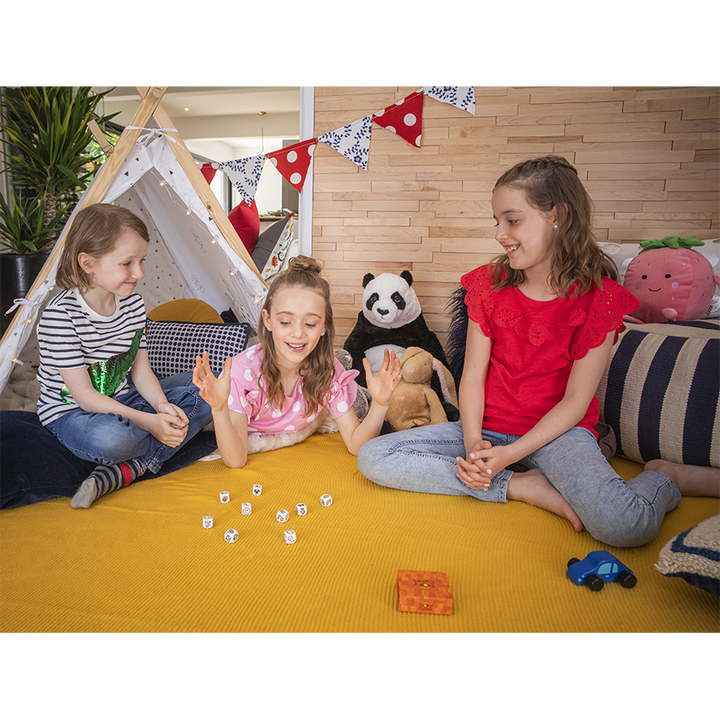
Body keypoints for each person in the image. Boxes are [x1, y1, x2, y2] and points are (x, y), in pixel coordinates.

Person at [358, 155, 720, 548]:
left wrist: (510, 453)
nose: (500, 233)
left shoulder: (599, 301)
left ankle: (666, 477)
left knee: (626, 525)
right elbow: (473, 377)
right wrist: (474, 441)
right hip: (486, 428)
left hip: (558, 435)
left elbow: (576, 403)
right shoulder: (488, 286)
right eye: (497, 221)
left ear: (558, 216)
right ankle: (521, 486)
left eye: (512, 220)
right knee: (374, 457)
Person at [36, 204, 212, 508]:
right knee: (117, 441)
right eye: (127, 263)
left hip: (124, 399)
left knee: (212, 389)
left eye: (142, 261)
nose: (139, 273)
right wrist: (149, 422)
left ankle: (128, 470)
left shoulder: (132, 305)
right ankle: (138, 458)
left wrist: (161, 405)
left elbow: (141, 372)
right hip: (73, 412)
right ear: (88, 263)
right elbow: (85, 397)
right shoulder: (60, 316)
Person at [193, 256, 401, 469]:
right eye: (285, 322)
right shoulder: (242, 373)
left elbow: (357, 445)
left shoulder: (330, 372)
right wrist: (219, 410)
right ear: (268, 320)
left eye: (310, 323)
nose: (298, 333)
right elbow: (235, 460)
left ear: (324, 327)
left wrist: (380, 404)